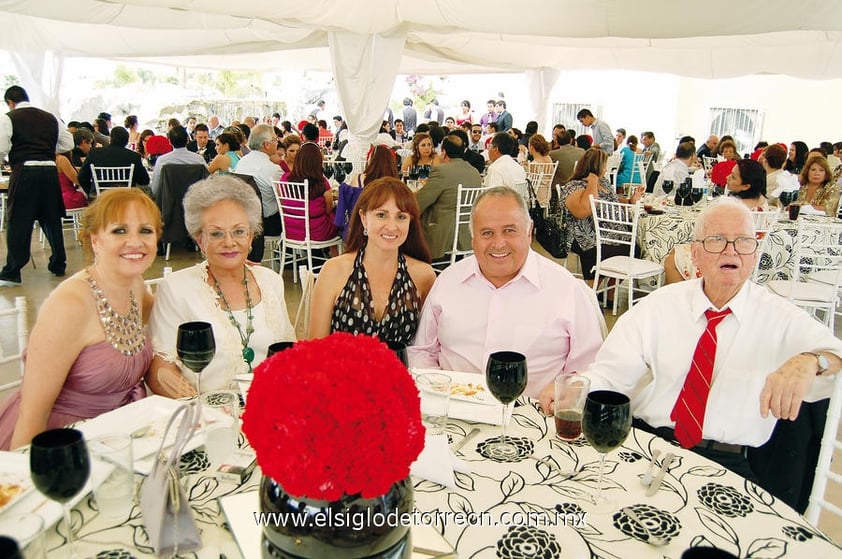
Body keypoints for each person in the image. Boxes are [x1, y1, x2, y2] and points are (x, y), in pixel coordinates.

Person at [557, 196, 841, 491]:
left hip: (728, 464)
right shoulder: (657, 307)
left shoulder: (780, 316)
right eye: (717, 240)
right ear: (694, 254)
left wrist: (811, 360)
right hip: (648, 446)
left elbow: (837, 355)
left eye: (743, 241)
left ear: (754, 254)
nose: (731, 251)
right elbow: (613, 374)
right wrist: (577, 390)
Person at [0, 188, 161, 449]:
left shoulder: (135, 285)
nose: (135, 242)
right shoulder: (70, 305)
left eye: (145, 230)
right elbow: (32, 414)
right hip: (60, 442)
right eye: (119, 230)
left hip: (120, 435)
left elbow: (168, 321)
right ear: (95, 240)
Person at [409, 187, 604, 398]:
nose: (499, 243)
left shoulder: (566, 289)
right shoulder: (448, 281)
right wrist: (438, 391)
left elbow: (590, 367)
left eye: (510, 230)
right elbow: (422, 350)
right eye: (487, 233)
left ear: (529, 231)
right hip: (453, 411)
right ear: (473, 238)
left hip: (532, 419)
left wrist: (565, 392)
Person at [148, 175, 295, 398]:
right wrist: (200, 409)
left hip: (270, 407)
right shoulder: (177, 289)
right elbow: (160, 368)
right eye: (216, 233)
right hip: (208, 416)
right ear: (200, 240)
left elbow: (289, 353)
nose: (229, 242)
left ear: (251, 236)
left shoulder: (270, 280)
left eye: (238, 231)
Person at [310, 177, 436, 345]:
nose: (392, 226)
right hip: (341, 371)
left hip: (401, 371)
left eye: (401, 217)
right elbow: (315, 348)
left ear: (410, 221)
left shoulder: (424, 275)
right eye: (381, 215)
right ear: (364, 218)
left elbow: (429, 348)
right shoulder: (334, 271)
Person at [0, 86, 75, 285]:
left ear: (10, 102)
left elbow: (2, 146)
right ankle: (59, 263)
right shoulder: (50, 117)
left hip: (25, 170)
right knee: (51, 218)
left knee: (18, 220)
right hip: (49, 172)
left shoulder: (9, 117)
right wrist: (47, 148)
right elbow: (68, 144)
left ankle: (12, 272)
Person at [559, 148, 642, 286]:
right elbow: (584, 211)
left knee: (635, 249)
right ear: (596, 167)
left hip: (611, 234)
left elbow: (612, 200)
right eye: (604, 165)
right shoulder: (573, 187)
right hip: (585, 237)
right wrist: (592, 181)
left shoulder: (603, 182)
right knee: (599, 251)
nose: (606, 169)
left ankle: (611, 293)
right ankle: (591, 294)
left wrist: (630, 201)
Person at [416, 135, 483, 260]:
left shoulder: (441, 171)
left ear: (444, 152)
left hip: (443, 234)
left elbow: (420, 203)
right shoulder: (474, 172)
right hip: (467, 233)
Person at [334, 144, 399, 240]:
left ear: (370, 160)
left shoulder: (358, 179)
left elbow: (345, 207)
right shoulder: (396, 186)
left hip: (355, 232)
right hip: (386, 232)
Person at [233, 124, 282, 238]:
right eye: (275, 140)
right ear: (266, 144)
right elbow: (288, 199)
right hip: (268, 223)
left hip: (244, 217)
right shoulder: (272, 168)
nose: (277, 143)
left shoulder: (242, 162)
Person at [281, 142, 337, 242]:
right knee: (337, 218)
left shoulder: (285, 178)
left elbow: (283, 203)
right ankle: (333, 255)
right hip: (317, 232)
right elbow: (328, 209)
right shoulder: (322, 182)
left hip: (291, 230)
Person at [77, 126, 151, 197]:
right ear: (126, 141)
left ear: (110, 138)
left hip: (101, 199)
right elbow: (144, 181)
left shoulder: (94, 153)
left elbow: (81, 177)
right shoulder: (133, 156)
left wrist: (92, 192)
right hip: (125, 199)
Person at [149, 125, 207, 199]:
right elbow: (208, 183)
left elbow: (155, 190)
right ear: (187, 140)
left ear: (169, 141)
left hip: (169, 206)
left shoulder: (162, 161)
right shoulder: (199, 160)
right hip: (194, 204)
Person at [483, 132, 527, 199]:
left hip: (501, 206)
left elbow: (492, 195)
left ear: (496, 149)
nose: (488, 150)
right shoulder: (519, 167)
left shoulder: (495, 168)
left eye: (489, 146)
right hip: (517, 206)